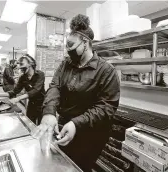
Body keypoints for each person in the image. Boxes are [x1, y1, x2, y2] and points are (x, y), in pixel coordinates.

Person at [32, 14, 120, 172]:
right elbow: (55, 86)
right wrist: (49, 112)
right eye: (67, 45)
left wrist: (76, 124)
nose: (68, 50)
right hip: (65, 125)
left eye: (71, 45)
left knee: (78, 167)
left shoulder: (106, 71)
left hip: (90, 133)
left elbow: (106, 107)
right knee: (61, 163)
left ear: (85, 42)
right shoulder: (66, 64)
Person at [0, 54, 45, 125]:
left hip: (42, 105)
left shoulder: (40, 74)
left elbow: (35, 90)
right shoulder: (23, 77)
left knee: (41, 126)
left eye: (22, 64)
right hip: (31, 104)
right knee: (30, 124)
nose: (20, 67)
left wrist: (18, 98)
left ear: (30, 63)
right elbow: (14, 92)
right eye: (19, 65)